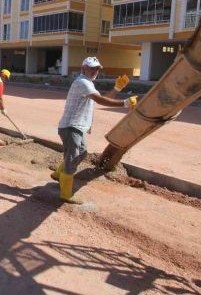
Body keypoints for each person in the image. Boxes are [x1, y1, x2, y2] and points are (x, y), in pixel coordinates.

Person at [51, 57, 137, 204]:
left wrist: (116, 89)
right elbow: (101, 101)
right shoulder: (82, 82)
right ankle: (65, 194)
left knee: (82, 153)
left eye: (97, 68)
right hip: (71, 127)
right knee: (72, 158)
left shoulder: (87, 83)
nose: (94, 71)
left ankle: (59, 174)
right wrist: (125, 103)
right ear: (83, 68)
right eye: (91, 68)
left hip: (77, 127)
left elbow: (101, 98)